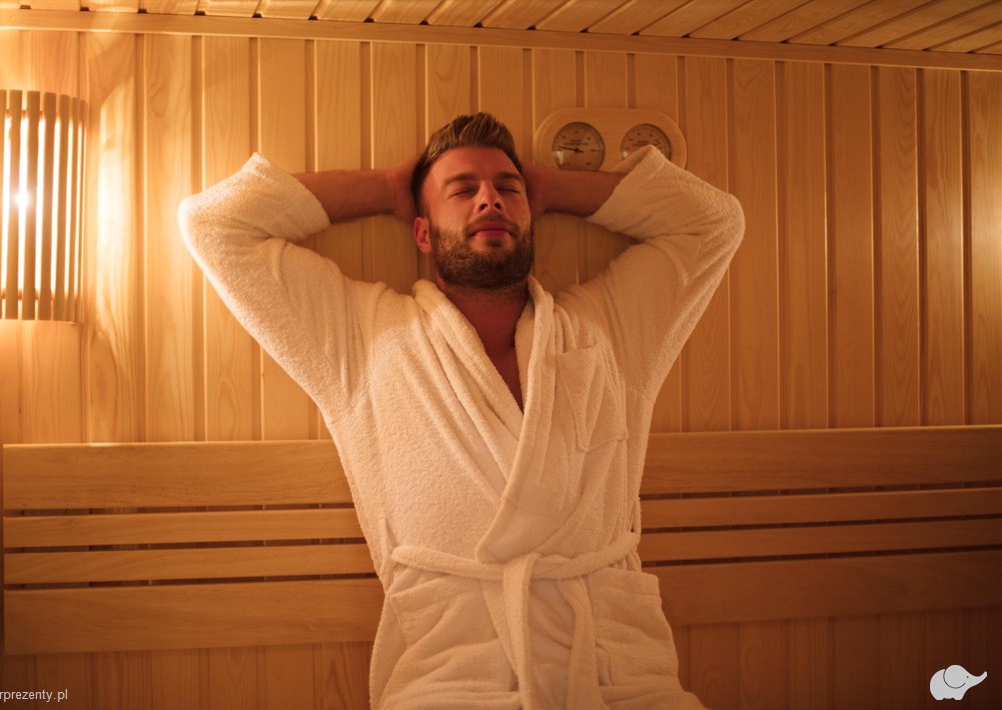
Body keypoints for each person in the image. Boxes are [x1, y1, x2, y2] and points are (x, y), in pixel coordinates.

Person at [179, 112, 743, 709]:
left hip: (617, 675)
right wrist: (387, 188)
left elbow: (713, 222)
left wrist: (552, 187)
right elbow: (215, 223)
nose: (489, 200)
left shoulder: (608, 329)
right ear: (422, 234)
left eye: (507, 188)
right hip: (454, 678)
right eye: (462, 189)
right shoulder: (363, 339)